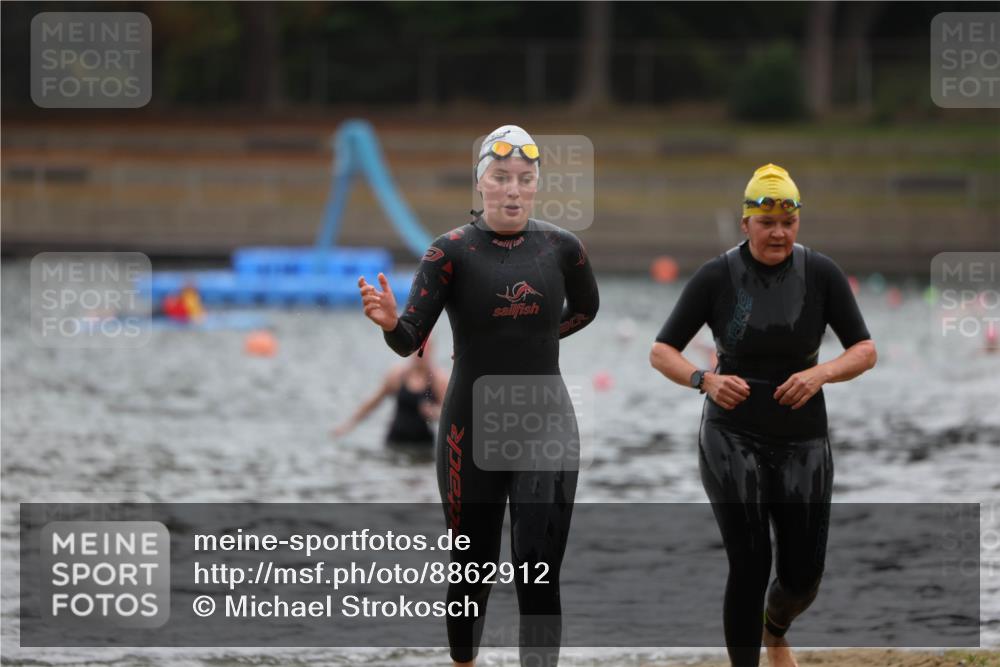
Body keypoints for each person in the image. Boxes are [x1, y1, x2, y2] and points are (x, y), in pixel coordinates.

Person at [357, 125, 599, 667]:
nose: (513, 190)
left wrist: (536, 340)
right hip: (470, 426)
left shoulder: (563, 248)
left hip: (546, 422)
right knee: (474, 570)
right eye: (501, 178)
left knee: (539, 566)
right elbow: (410, 340)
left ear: (537, 185)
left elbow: (587, 309)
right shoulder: (449, 253)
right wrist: (391, 323)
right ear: (480, 183)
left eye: (525, 179)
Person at [649, 164, 877, 667]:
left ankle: (776, 631)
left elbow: (864, 350)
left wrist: (822, 375)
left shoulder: (820, 274)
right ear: (745, 223)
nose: (778, 233)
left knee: (802, 576)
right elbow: (662, 350)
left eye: (787, 222)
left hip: (803, 438)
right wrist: (703, 379)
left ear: (798, 222)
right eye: (766, 221)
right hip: (732, 433)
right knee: (750, 563)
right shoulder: (717, 276)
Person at [331, 337, 448, 447]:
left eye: (426, 349)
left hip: (423, 445)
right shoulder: (398, 374)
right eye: (419, 348)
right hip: (395, 441)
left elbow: (448, 415)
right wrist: (347, 426)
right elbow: (373, 403)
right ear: (412, 349)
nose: (421, 354)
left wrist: (433, 412)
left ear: (432, 350)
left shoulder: (438, 379)